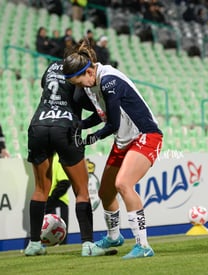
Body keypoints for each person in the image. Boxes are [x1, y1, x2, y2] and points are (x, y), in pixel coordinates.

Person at [63, 41, 163, 259]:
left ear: (89, 71)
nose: (81, 87)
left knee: (123, 184)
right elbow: (102, 116)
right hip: (123, 141)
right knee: (106, 193)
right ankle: (114, 236)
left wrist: (91, 139)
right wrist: (79, 125)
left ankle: (143, 245)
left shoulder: (109, 81)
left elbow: (113, 124)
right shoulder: (91, 85)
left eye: (80, 82)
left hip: (145, 136)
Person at [24, 59, 112, 257]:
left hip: (38, 125)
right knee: (81, 191)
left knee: (40, 189)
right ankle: (88, 244)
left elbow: (44, 85)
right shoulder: (79, 74)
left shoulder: (52, 66)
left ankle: (34, 244)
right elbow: (93, 105)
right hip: (65, 127)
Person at [45, 154, 71, 244]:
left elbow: (64, 183)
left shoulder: (57, 159)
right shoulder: (46, 159)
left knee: (58, 235)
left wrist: (51, 200)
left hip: (58, 202)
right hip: (48, 201)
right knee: (49, 235)